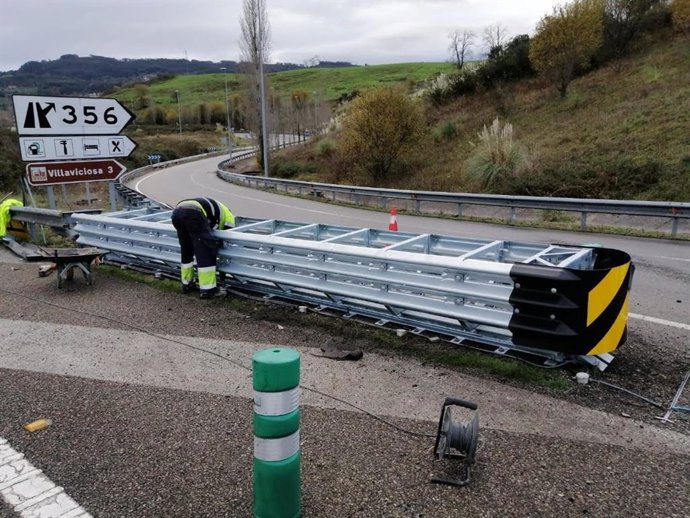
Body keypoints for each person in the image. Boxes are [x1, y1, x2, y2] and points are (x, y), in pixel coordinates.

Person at [171, 197, 235, 299]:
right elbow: (226, 234)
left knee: (187, 250)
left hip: (177, 212)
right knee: (206, 252)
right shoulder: (229, 217)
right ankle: (208, 290)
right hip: (193, 213)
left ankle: (187, 283)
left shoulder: (218, 209)